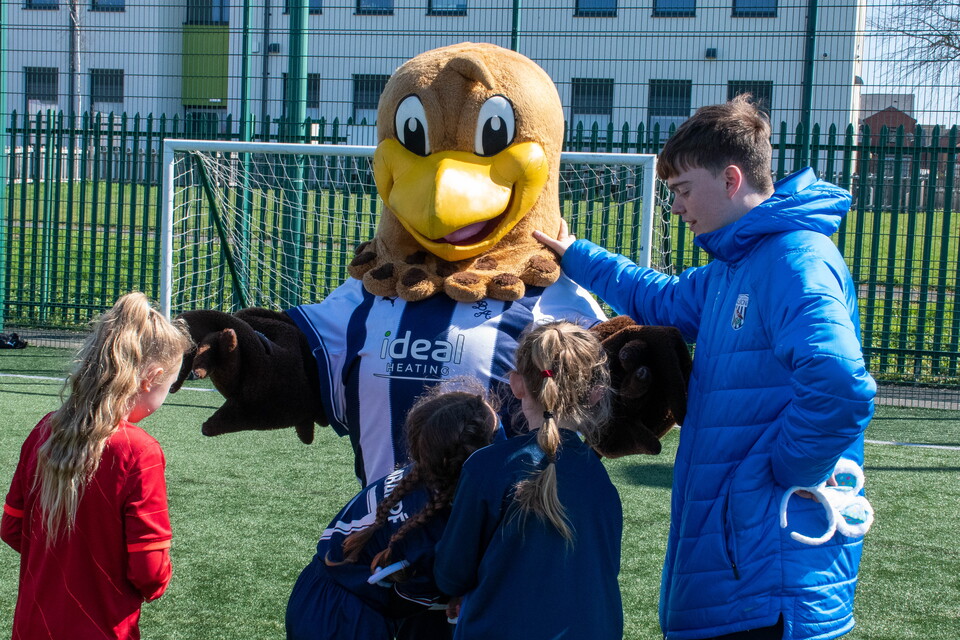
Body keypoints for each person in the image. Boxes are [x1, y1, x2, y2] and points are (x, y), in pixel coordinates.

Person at [534, 95, 876, 640]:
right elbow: (658, 297)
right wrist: (576, 253)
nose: (677, 207)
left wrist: (787, 469)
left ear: (732, 179)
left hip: (772, 576)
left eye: (683, 190)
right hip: (742, 567)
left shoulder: (796, 260)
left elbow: (840, 386)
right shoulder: (734, 267)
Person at [1, 292, 193, 640]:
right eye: (170, 386)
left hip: (32, 625)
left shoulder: (44, 430)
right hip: (103, 628)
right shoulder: (140, 451)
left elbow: (12, 528)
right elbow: (149, 572)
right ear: (152, 376)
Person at [434, 320, 623, 640]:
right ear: (596, 394)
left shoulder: (488, 466)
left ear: (517, 384)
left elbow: (451, 575)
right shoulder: (600, 482)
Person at [285, 381, 500, 640]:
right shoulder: (438, 528)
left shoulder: (422, 474)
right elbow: (409, 599)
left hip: (312, 591)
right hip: (352, 620)